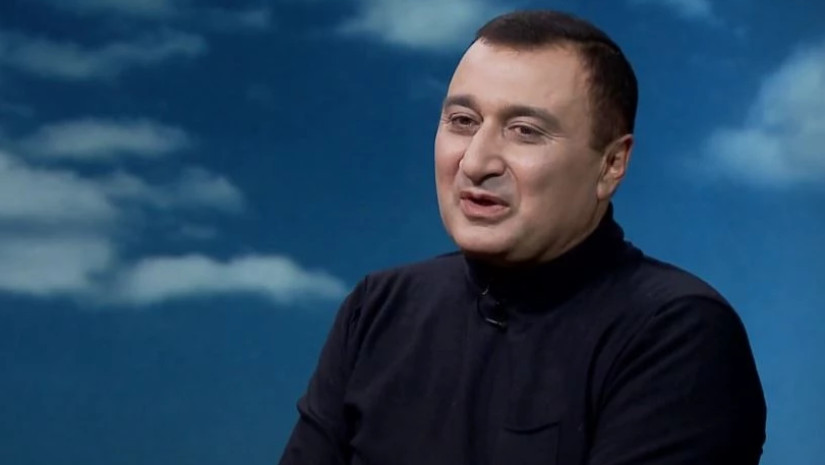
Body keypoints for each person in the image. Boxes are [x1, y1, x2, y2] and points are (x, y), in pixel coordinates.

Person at [279, 9, 767, 465]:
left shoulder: (679, 333)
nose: (476, 162)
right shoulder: (377, 309)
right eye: (462, 122)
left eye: (525, 131)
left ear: (611, 164)